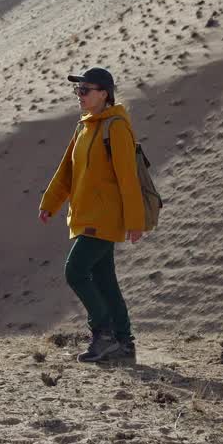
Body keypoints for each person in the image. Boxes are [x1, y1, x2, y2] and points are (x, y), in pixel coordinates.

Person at [39, 67, 146, 362]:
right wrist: (50, 202)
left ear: (104, 93)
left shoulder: (116, 127)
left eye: (85, 90)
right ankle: (124, 345)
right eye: (78, 90)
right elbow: (67, 171)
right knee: (104, 280)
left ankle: (104, 333)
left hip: (105, 218)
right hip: (85, 215)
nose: (80, 96)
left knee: (75, 271)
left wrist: (135, 222)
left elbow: (128, 179)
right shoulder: (83, 127)